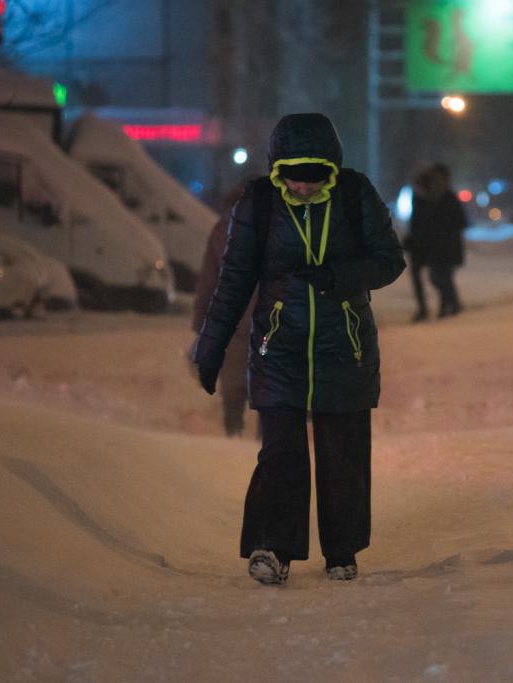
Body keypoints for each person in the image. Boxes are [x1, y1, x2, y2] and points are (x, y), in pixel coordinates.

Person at [192, 113, 405, 585]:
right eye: (293, 175)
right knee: (279, 454)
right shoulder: (259, 203)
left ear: (331, 168)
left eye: (313, 175)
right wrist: (210, 349)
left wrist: (338, 276)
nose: (303, 186)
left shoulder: (355, 194)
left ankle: (342, 551)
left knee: (343, 455)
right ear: (277, 169)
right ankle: (273, 548)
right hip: (278, 348)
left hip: (344, 346)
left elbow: (390, 260)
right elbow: (232, 282)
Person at [191, 186, 255, 438]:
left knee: (233, 384)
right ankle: (265, 441)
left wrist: (201, 325)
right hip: (271, 320)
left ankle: (233, 434)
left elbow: (208, 282)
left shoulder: (221, 230)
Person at [405, 163, 467, 322]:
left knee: (439, 276)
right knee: (438, 275)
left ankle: (444, 305)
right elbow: (417, 221)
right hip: (427, 243)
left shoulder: (442, 197)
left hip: (433, 243)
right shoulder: (442, 196)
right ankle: (444, 305)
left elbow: (457, 222)